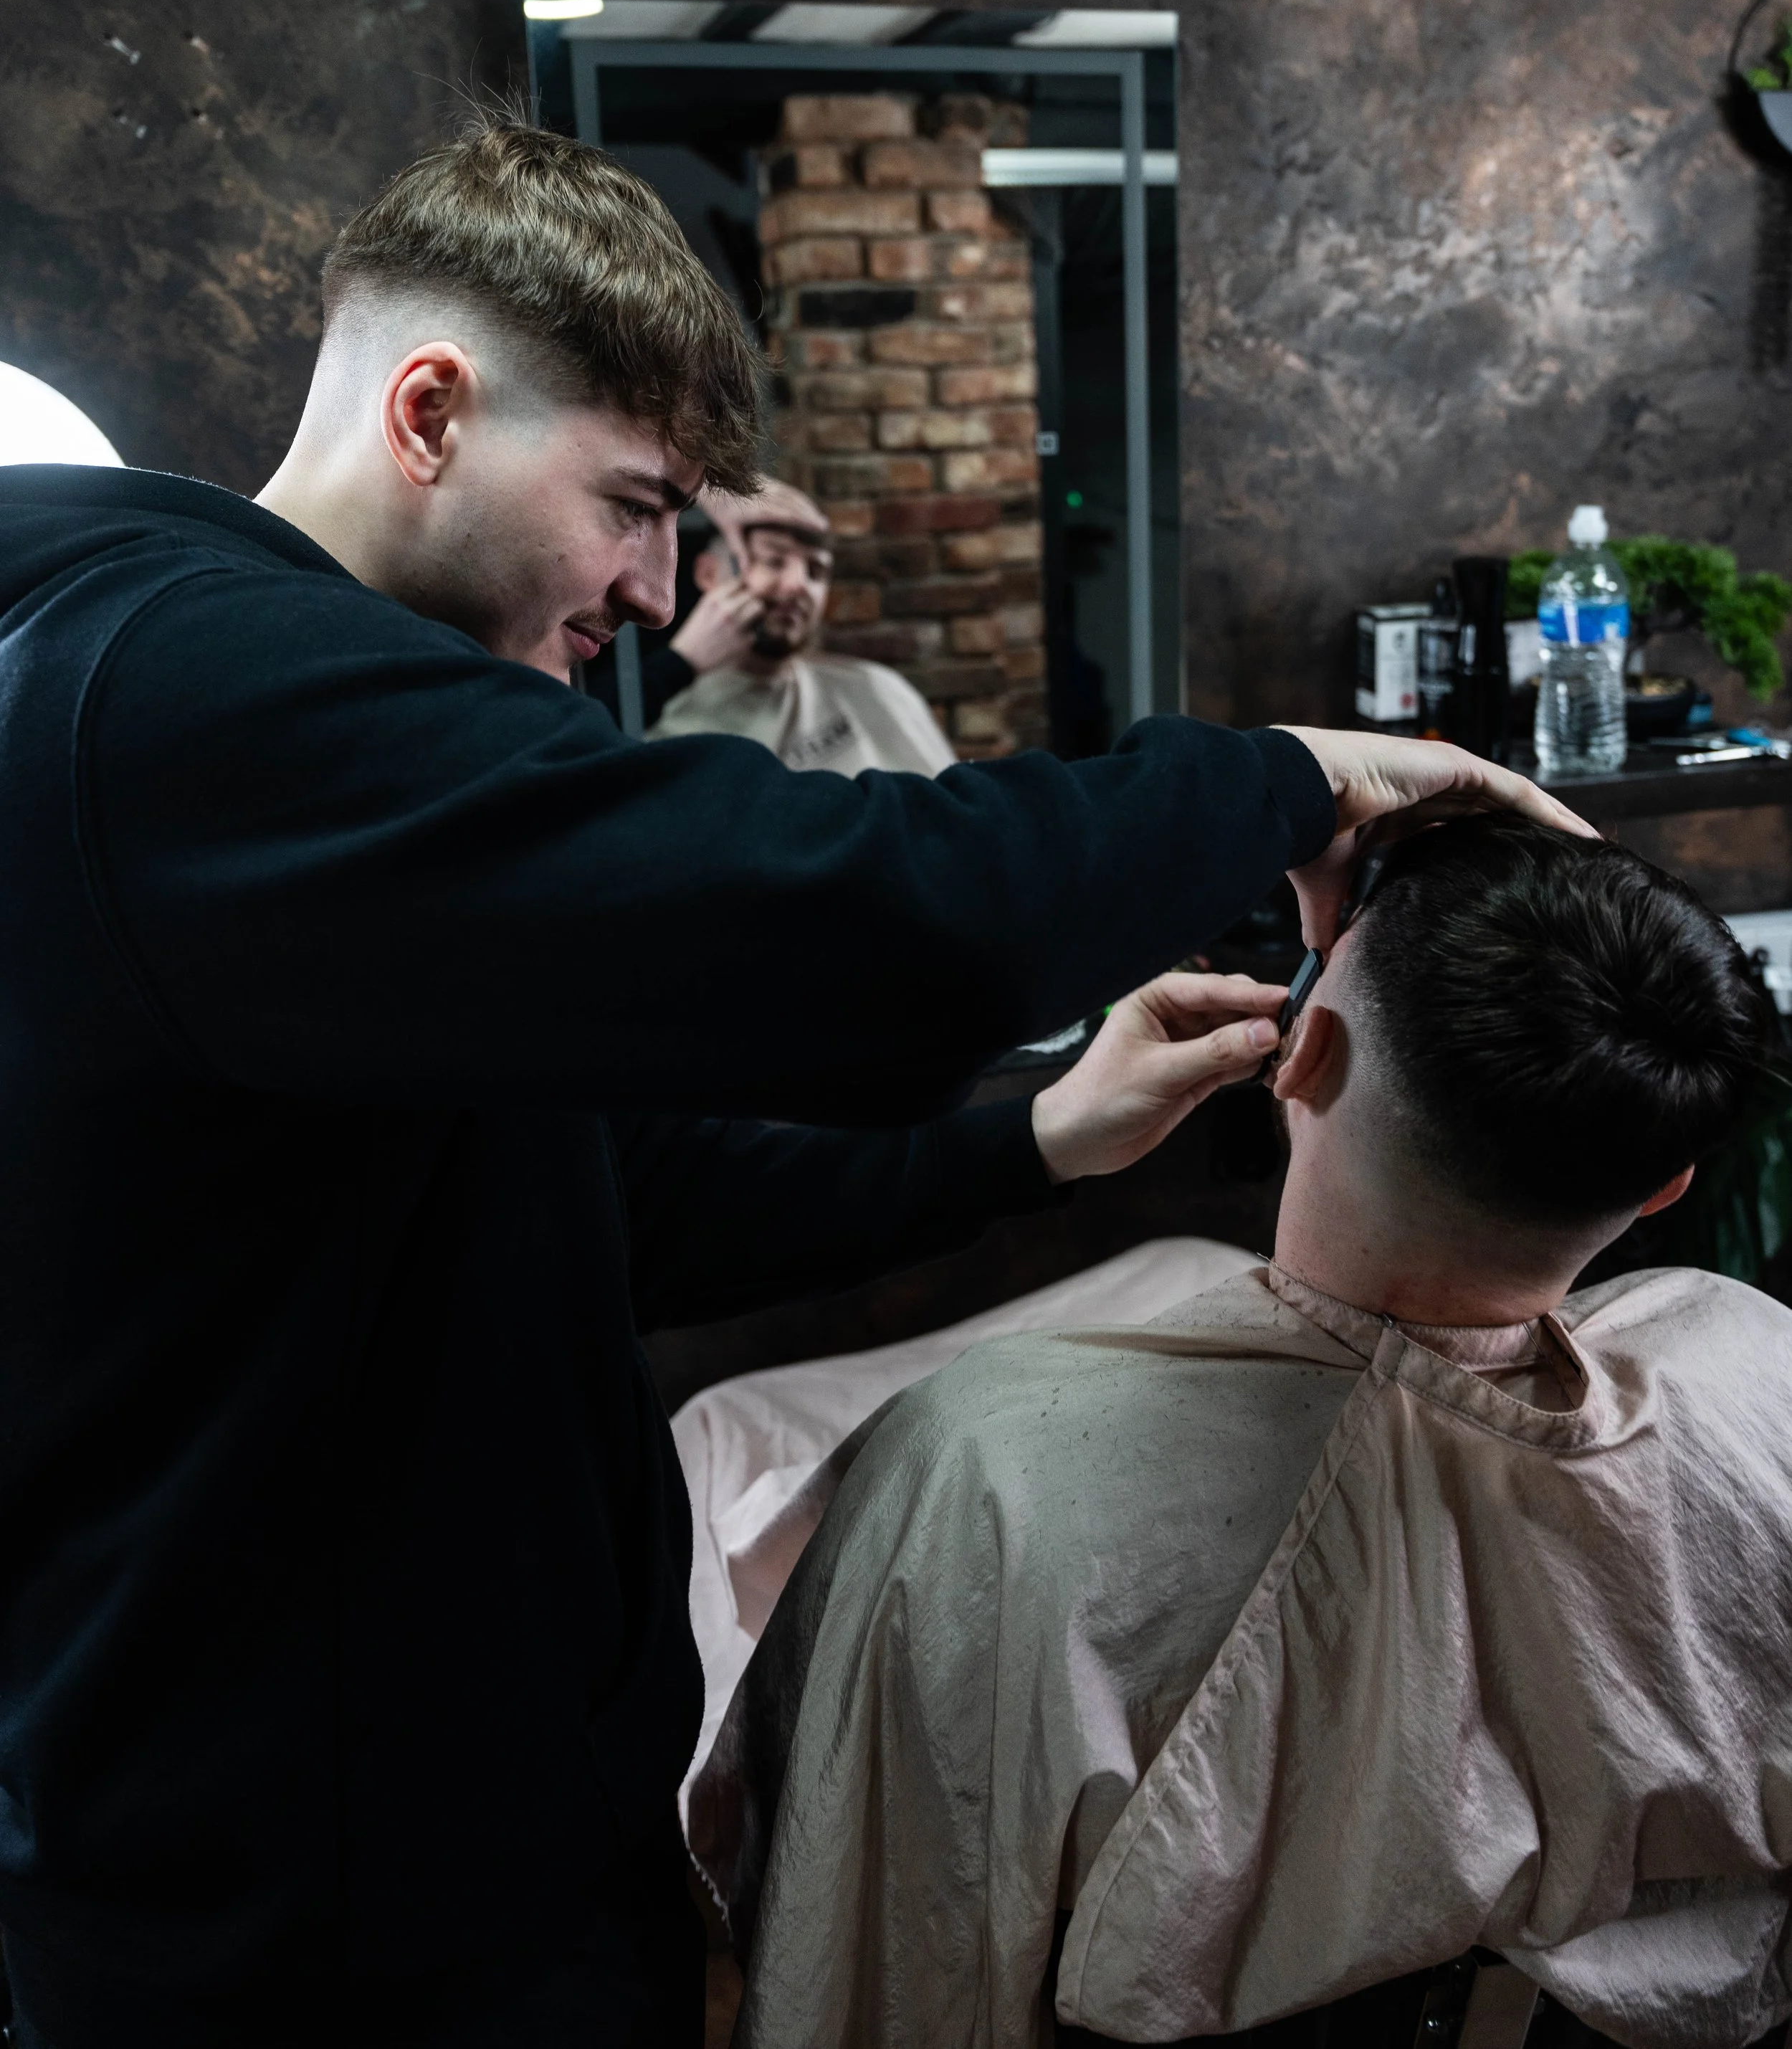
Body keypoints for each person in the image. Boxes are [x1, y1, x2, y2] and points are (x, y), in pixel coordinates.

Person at [0, 119, 1580, 2049]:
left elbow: (605, 1193)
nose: (660, 588)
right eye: (636, 500)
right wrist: (1279, 776)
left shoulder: (243, 734)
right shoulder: (192, 689)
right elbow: (857, 921)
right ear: (430, 411)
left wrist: (1031, 1131)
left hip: (418, 1842)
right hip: (310, 1924)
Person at [698, 817, 1792, 2049]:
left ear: (1299, 1051)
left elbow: (893, 1949)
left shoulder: (987, 1473)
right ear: (1666, 1184)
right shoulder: (1754, 1368)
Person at [639, 477, 953, 777]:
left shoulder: (879, 689)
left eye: (816, 571)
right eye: (774, 561)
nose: (799, 584)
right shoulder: (656, 720)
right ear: (709, 573)